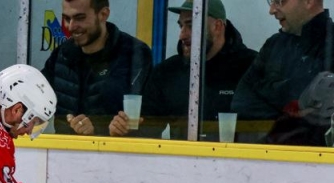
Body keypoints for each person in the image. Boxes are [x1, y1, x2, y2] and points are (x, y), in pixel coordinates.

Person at [109, 0, 256, 140]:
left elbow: (263, 128)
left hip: (238, 157)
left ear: (217, 26)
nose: (182, 35)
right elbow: (146, 128)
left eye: (191, 26)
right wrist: (123, 131)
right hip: (182, 157)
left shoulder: (250, 67)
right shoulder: (166, 72)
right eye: (181, 26)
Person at [42, 0, 152, 136]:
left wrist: (102, 132)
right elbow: (36, 99)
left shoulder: (134, 54)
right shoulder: (61, 54)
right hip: (61, 148)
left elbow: (152, 121)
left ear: (103, 14)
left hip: (116, 149)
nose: (71, 27)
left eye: (80, 18)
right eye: (67, 19)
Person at [232, 0, 334, 145]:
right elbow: (241, 103)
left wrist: (270, 91)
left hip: (320, 155)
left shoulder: (331, 45)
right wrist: (291, 112)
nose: (271, 10)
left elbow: (324, 110)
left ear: (309, 1)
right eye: (271, 1)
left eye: (279, 1)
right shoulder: (273, 45)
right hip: (269, 152)